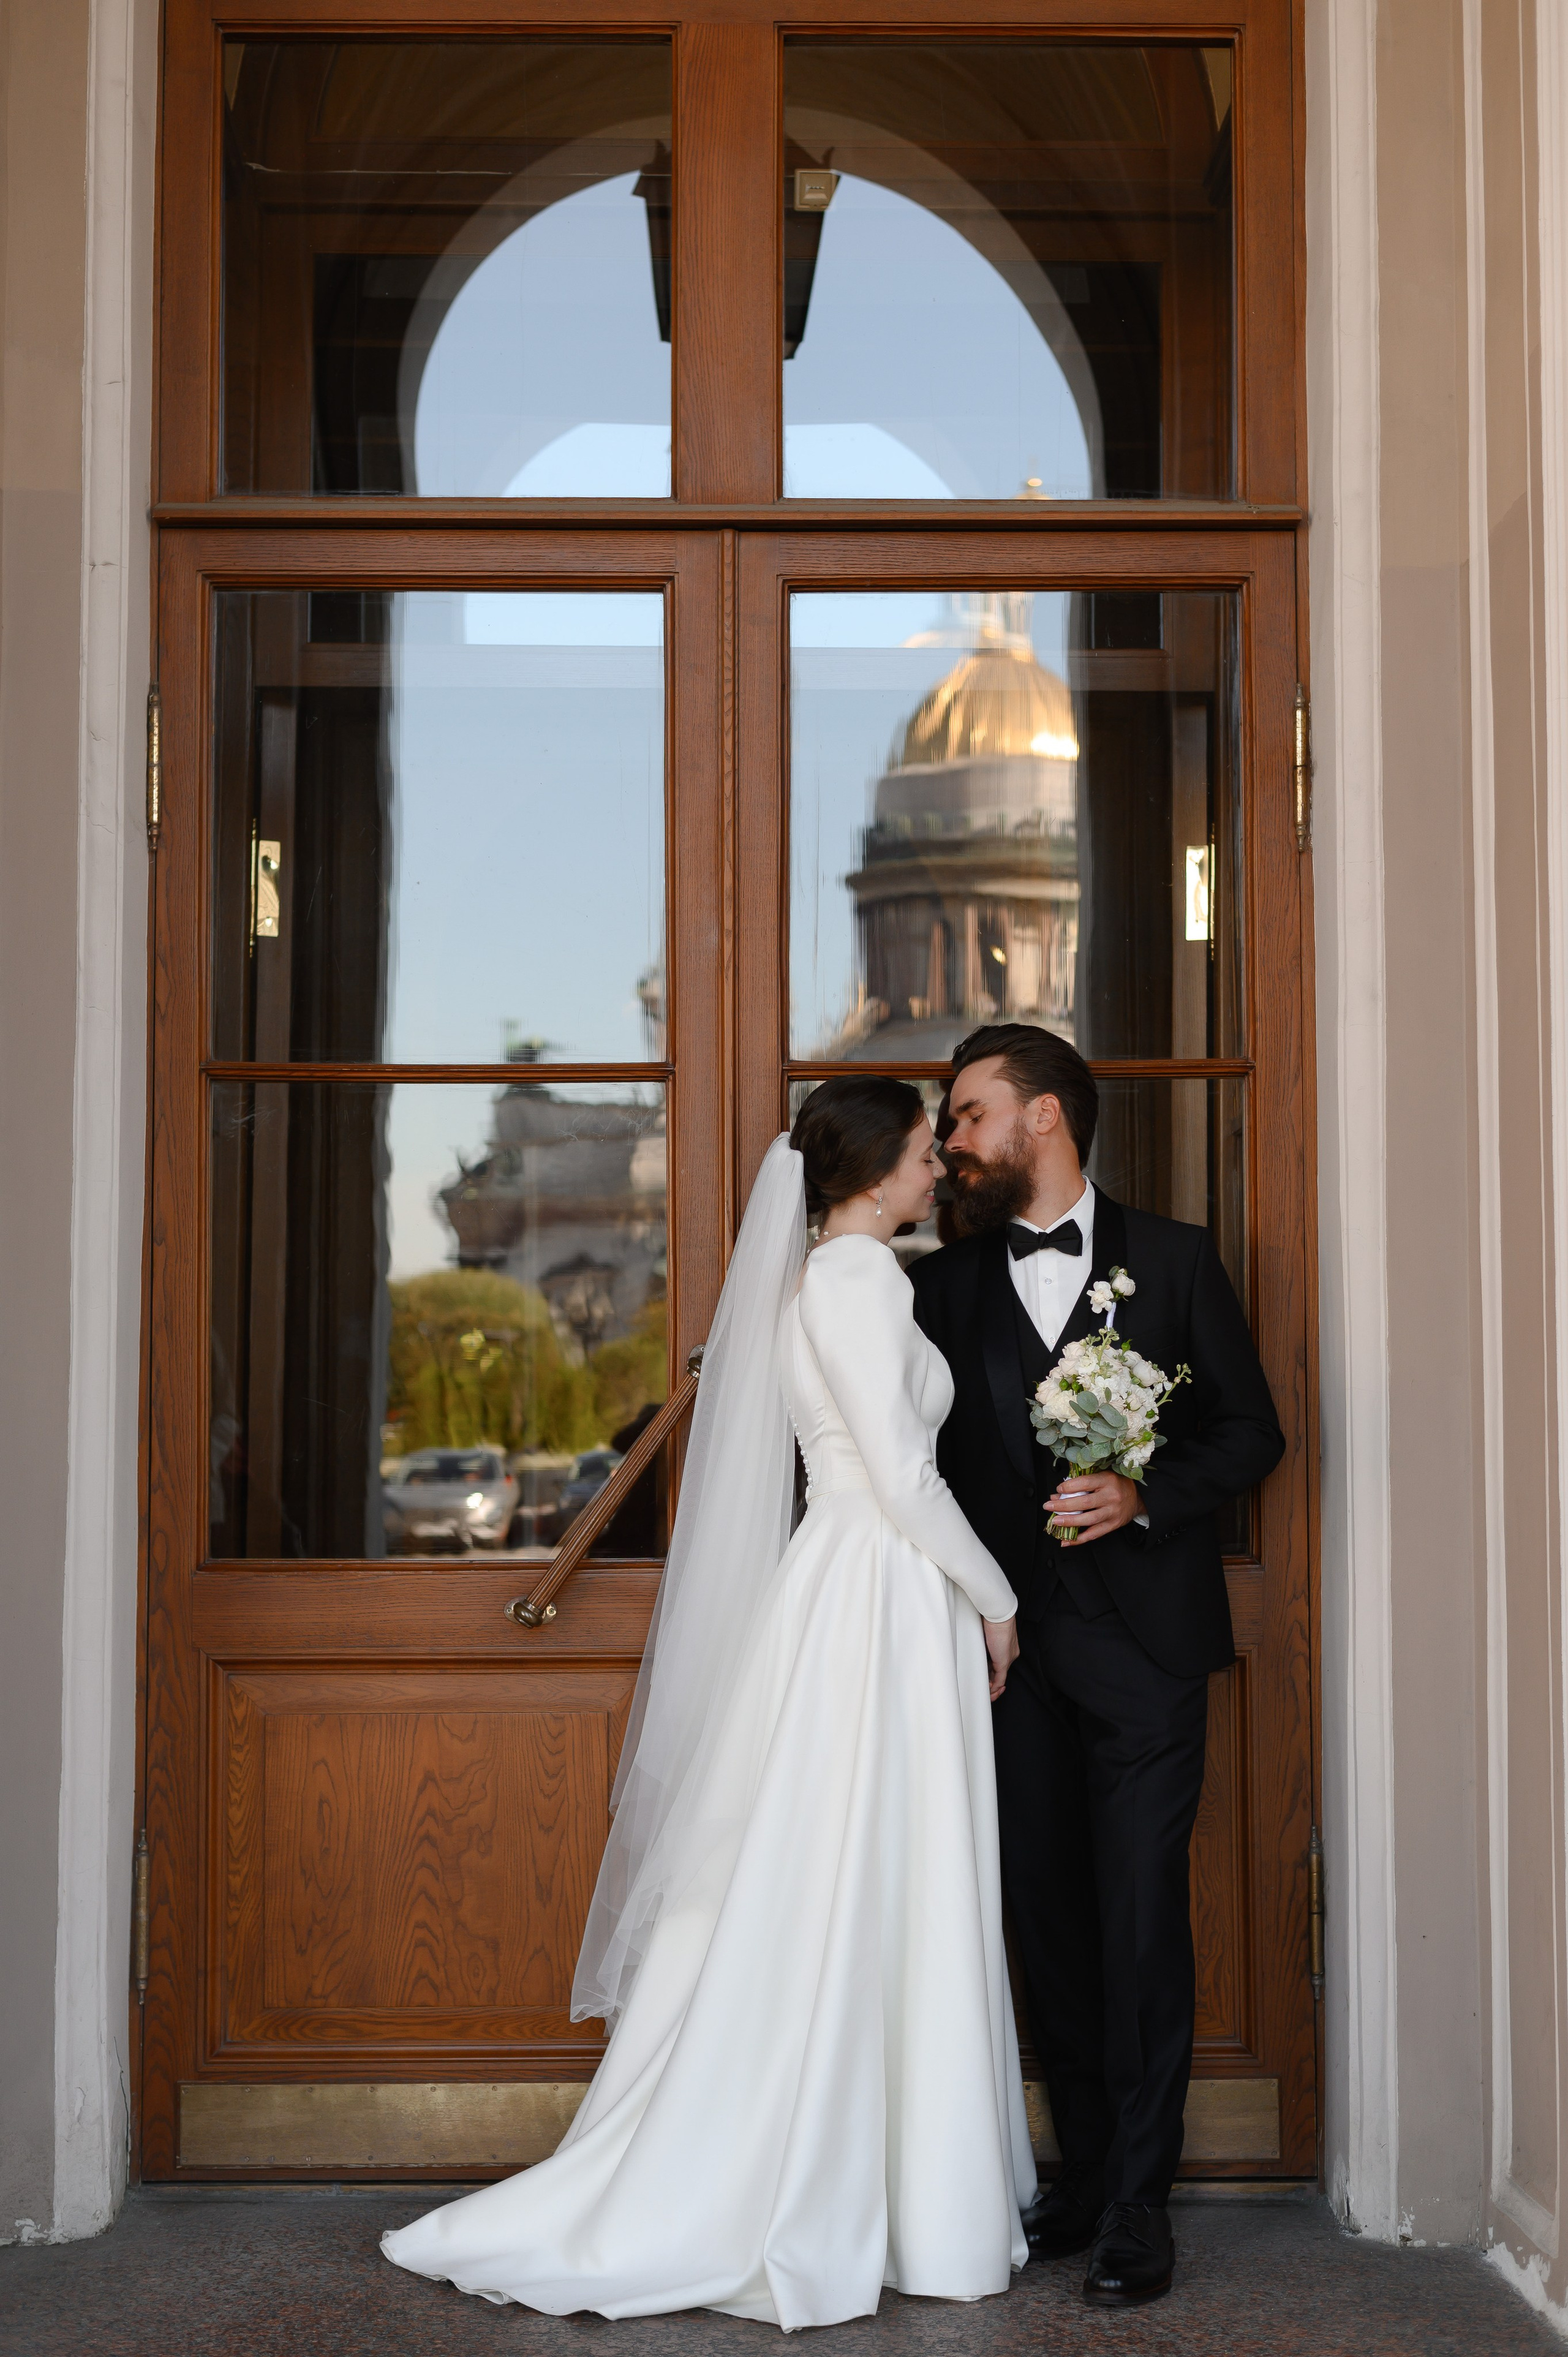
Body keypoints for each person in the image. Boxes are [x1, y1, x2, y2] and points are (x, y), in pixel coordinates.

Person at [382, 1077, 1036, 2327]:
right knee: (865, 1865)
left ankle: (889, 2181)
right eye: (918, 1148)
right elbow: (898, 1473)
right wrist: (996, 1598)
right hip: (875, 1588)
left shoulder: (835, 1281)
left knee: (859, 1863)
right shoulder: (855, 1282)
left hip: (868, 1586)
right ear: (872, 1169)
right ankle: (863, 2186)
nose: (934, 1167)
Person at [911, 1025, 1284, 2310]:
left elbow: (1252, 1430)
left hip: (1142, 1652)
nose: (947, 1141)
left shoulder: (1172, 1260)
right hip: (1000, 1657)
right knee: (1048, 1923)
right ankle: (1073, 2178)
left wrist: (1143, 1492)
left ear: (1043, 1120)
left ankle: (1136, 2200)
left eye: (964, 1115)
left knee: (1136, 1921)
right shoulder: (940, 1288)